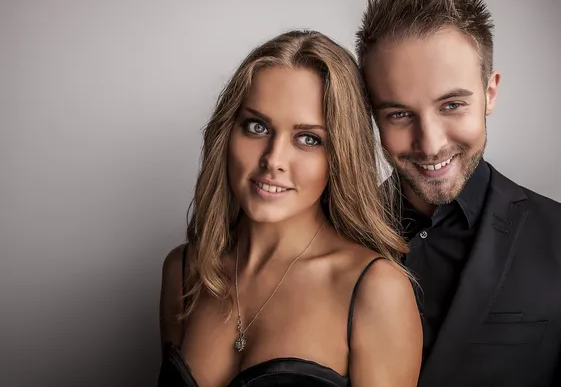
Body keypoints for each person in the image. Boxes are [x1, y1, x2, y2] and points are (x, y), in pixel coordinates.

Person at [356, 0, 561, 386]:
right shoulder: (331, 235)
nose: (430, 144)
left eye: (452, 105)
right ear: (372, 116)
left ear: (490, 93)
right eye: (398, 113)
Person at [157, 30, 422, 387]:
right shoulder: (185, 270)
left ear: (340, 157)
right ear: (227, 134)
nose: (273, 160)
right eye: (257, 126)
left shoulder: (375, 290)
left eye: (308, 139)